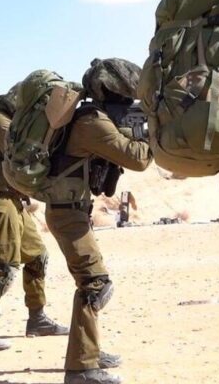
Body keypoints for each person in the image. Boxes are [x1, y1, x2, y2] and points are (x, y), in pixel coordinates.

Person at [26, 59, 152, 384]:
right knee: (95, 285)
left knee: (92, 282)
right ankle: (81, 368)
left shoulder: (89, 117)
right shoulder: (92, 123)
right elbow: (138, 159)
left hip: (70, 211)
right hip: (67, 213)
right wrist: (154, 131)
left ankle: (89, 352)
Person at [0, 91, 68, 350]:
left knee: (37, 256)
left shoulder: (9, 122)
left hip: (14, 200)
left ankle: (37, 319)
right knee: (6, 265)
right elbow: (20, 152)